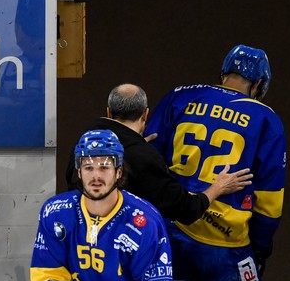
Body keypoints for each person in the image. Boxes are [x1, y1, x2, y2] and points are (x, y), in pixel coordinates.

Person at [144, 44, 287, 281]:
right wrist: (260, 245)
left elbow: (148, 160)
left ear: (223, 74)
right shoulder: (266, 119)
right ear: (259, 84)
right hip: (226, 246)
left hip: (172, 235)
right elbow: (270, 198)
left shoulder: (179, 97)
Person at [11, 130, 172, 281]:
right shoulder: (56, 212)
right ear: (78, 171)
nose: (96, 175)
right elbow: (47, 271)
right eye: (88, 167)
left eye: (105, 167)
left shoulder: (145, 221)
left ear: (119, 171)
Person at [66, 83, 253, 225]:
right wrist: (218, 187)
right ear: (145, 115)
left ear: (108, 111)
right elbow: (186, 210)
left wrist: (135, 146)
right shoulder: (145, 158)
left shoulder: (84, 141)